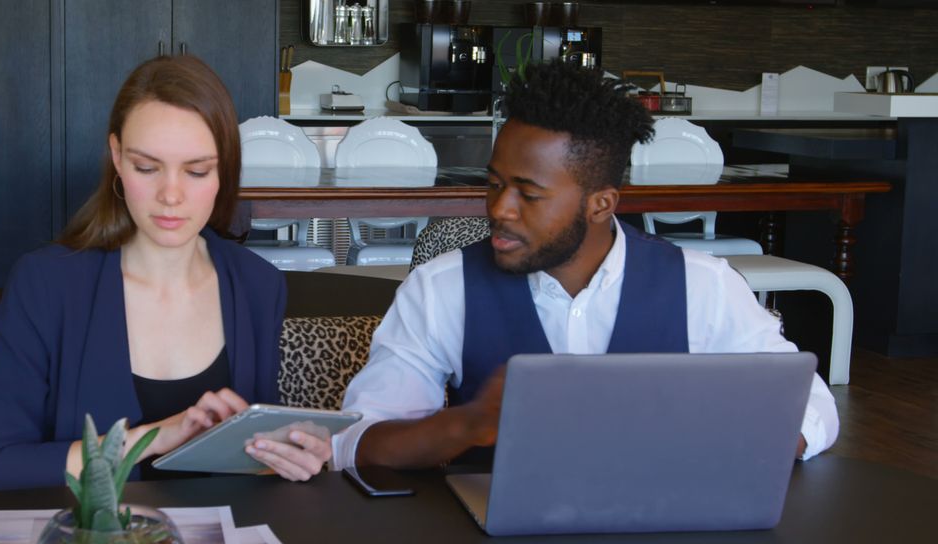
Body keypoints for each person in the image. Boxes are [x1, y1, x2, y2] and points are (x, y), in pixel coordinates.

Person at [334, 60, 839, 470]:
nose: (499, 209)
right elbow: (359, 441)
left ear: (601, 204)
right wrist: (468, 423)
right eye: (494, 183)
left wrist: (724, 442)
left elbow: (812, 408)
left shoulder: (702, 286)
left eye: (529, 194)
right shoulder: (441, 288)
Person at [0, 55, 330, 491]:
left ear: (223, 170)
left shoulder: (258, 285)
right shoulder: (45, 285)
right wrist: (149, 439)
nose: (171, 195)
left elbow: (247, 457)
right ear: (117, 157)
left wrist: (289, 454)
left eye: (197, 171)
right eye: (146, 167)